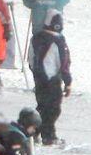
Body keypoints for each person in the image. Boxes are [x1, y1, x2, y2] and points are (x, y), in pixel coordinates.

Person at [29, 13, 71, 145]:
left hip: (39, 78)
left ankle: (33, 132)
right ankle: (48, 135)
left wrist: (36, 72)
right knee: (53, 109)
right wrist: (68, 81)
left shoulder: (36, 38)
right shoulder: (58, 41)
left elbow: (30, 59)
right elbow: (63, 63)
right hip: (52, 79)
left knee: (41, 106)